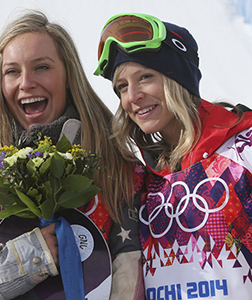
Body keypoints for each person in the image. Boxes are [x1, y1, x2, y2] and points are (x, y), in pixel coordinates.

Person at [0, 10, 146, 300]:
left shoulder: (116, 167)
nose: (26, 82)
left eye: (41, 67)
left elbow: (131, 276)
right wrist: (26, 258)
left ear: (68, 75)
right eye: (12, 71)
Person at [94, 12, 252, 299]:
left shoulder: (243, 150)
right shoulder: (141, 181)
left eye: (145, 77)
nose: (132, 96)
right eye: (122, 87)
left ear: (177, 79)